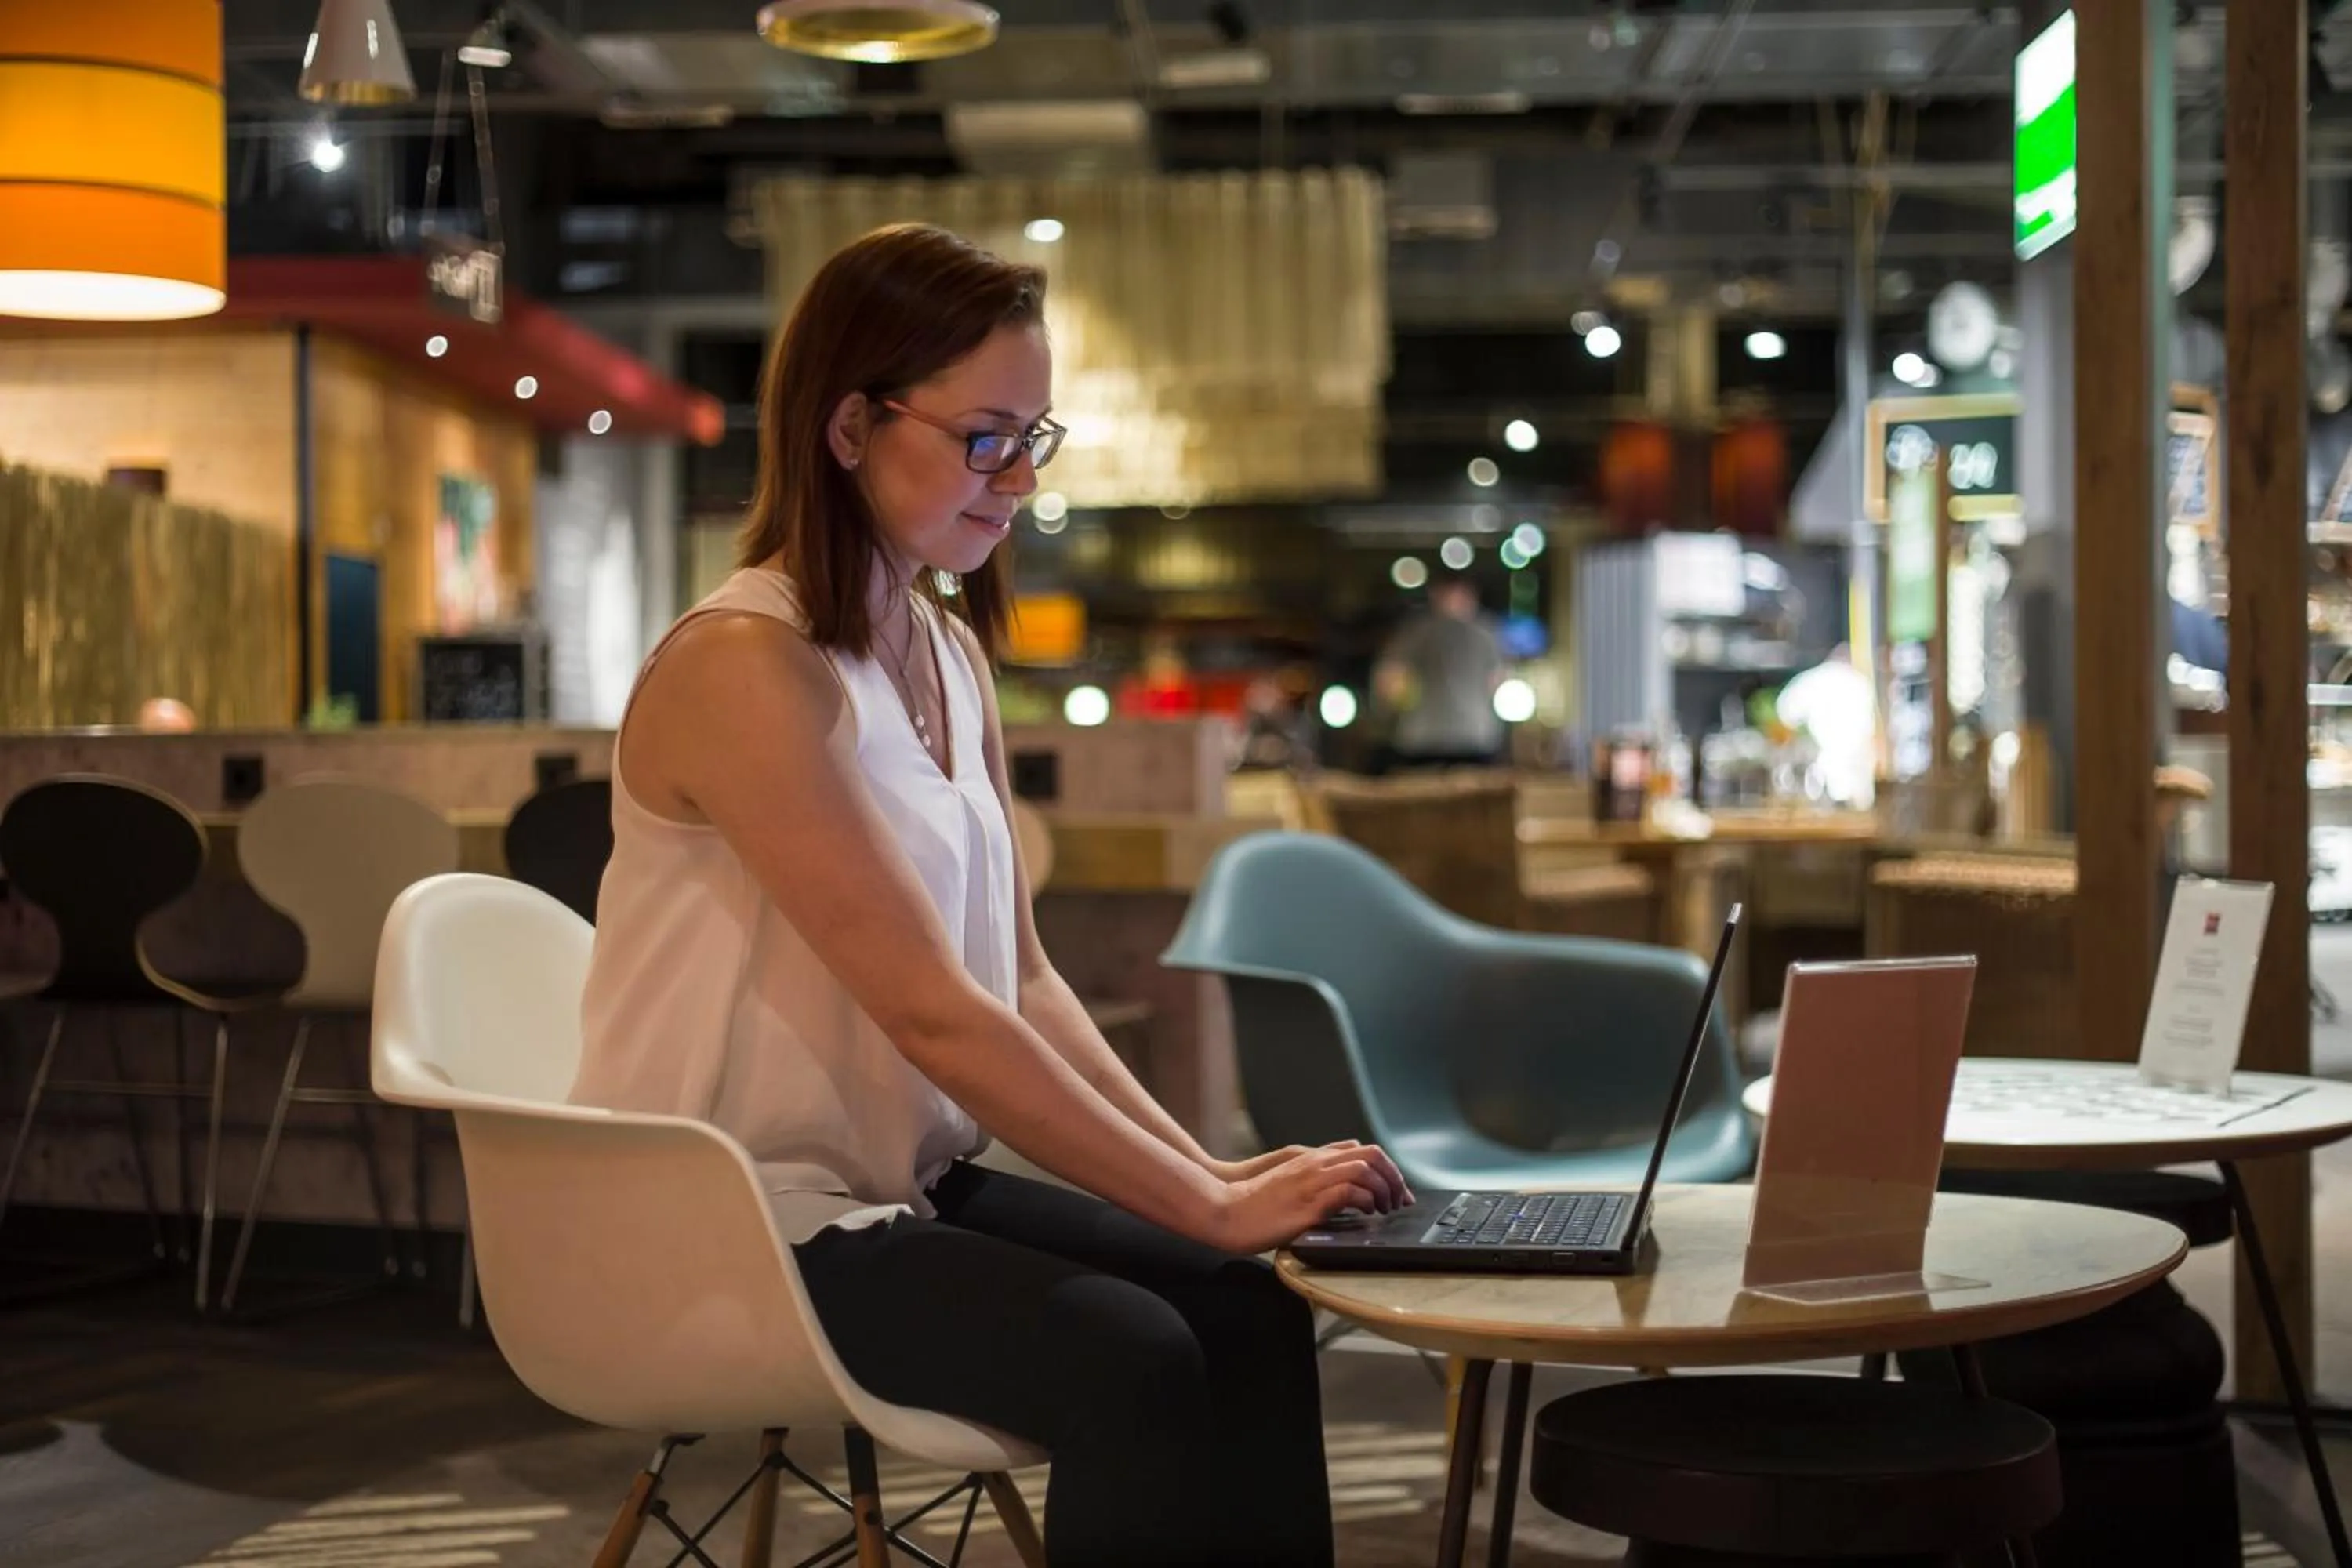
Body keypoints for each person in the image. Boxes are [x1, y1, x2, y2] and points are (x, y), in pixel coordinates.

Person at [568, 223, 1406, 1568]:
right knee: (1128, 1355)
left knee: (1245, 1305)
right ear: (850, 426)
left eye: (1036, 439)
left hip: (896, 1193)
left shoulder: (949, 650)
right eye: (984, 439)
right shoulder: (746, 665)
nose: (1019, 479)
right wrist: (1197, 1202)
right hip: (732, 1216)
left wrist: (1205, 1175)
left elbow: (1018, 979)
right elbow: (935, 1015)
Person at [1373, 575, 1506, 770]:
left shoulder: (1415, 631)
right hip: (1476, 736)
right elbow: (1499, 683)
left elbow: (1389, 681)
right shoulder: (1488, 632)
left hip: (1422, 737)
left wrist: (1392, 713)